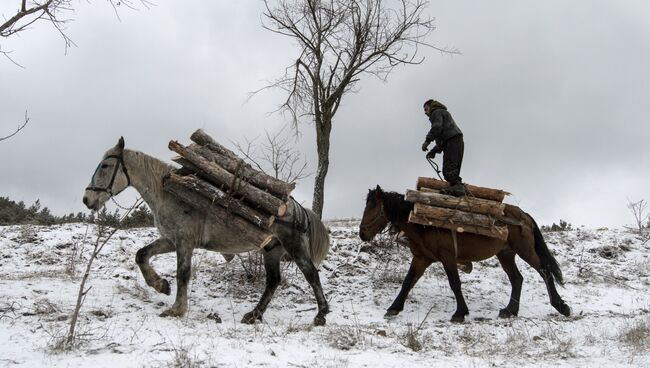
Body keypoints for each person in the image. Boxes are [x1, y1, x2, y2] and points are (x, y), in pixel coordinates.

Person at [421, 99, 466, 196]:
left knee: (448, 169)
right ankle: (456, 187)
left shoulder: (436, 112)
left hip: (452, 141)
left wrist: (427, 141)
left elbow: (437, 127)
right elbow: (443, 140)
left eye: (426, 109)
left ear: (431, 106)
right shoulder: (443, 113)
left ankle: (458, 188)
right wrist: (433, 151)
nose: (425, 112)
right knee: (452, 168)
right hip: (456, 140)